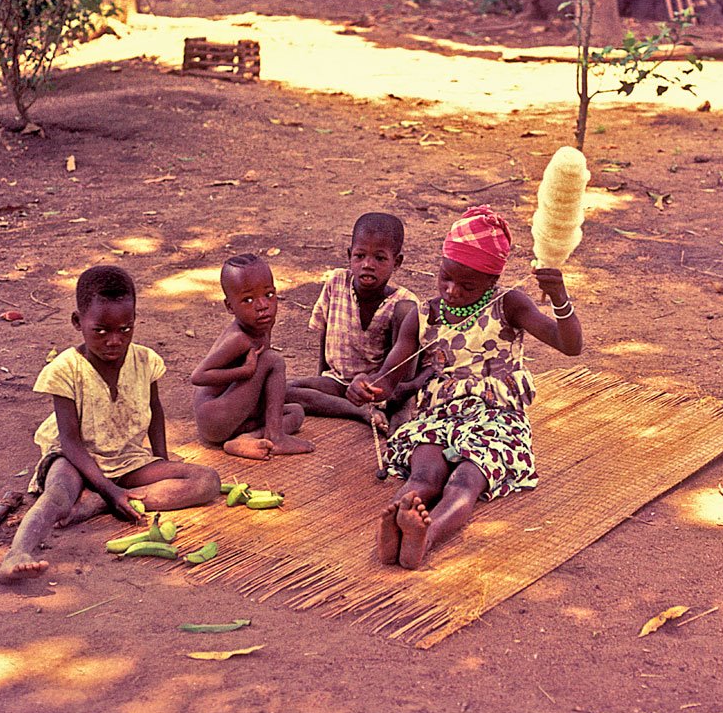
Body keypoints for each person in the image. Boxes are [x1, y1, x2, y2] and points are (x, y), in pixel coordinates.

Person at [348, 205, 583, 570]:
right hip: (439, 418)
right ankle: (397, 520)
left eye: (467, 285)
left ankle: (426, 535)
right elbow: (390, 376)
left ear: (492, 282)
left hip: (497, 420)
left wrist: (559, 298)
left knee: (465, 480)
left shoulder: (509, 305)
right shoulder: (423, 314)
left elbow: (569, 345)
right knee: (424, 474)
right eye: (445, 278)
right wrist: (367, 388)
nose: (452, 291)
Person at [0, 266, 221, 583]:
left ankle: (101, 503)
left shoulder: (145, 360)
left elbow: (155, 409)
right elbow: (71, 442)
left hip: (126, 457)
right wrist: (109, 485)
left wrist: (161, 458)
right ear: (78, 322)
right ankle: (17, 552)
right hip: (74, 457)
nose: (114, 340)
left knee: (206, 480)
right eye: (101, 330)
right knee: (58, 497)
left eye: (125, 329)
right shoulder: (65, 370)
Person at [287, 212, 427, 433]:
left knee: (409, 311)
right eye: (360, 256)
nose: (368, 265)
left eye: (380, 258)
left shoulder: (404, 302)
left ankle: (399, 406)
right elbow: (325, 330)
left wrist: (392, 390)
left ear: (397, 262)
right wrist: (320, 376)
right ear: (350, 255)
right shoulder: (336, 282)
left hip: (377, 388)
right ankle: (358, 411)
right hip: (338, 383)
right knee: (284, 390)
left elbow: (411, 357)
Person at [192, 253, 314, 460]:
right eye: (248, 300)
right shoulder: (238, 339)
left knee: (295, 412)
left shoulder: (264, 324)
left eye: (268, 295)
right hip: (215, 415)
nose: (262, 306)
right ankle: (275, 437)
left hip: (235, 411)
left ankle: (247, 439)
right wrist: (244, 371)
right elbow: (198, 376)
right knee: (273, 359)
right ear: (230, 306)